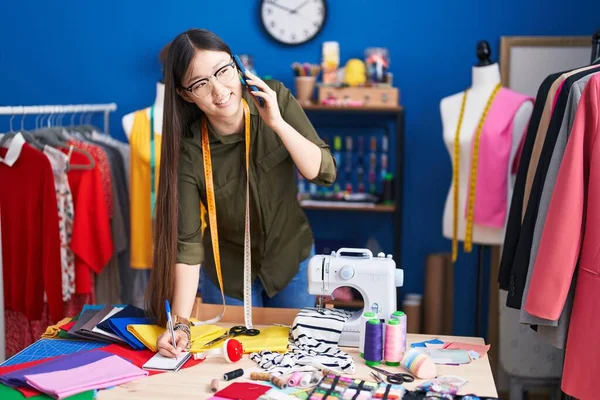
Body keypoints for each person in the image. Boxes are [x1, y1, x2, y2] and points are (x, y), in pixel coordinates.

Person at [146, 28, 336, 358]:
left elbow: (323, 172)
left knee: (302, 358)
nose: (219, 91)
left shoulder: (274, 97)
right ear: (186, 94)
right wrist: (179, 325)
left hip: (291, 262)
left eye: (223, 71)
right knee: (235, 367)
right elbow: (188, 247)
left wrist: (276, 122)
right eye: (201, 83)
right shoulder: (188, 151)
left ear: (237, 65)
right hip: (229, 277)